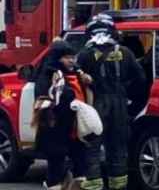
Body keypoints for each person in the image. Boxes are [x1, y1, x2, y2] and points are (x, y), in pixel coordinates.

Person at [76, 14, 147, 190]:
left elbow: (74, 82)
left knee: (92, 147)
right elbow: (141, 80)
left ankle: (94, 185)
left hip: (95, 107)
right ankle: (118, 186)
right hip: (120, 106)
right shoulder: (125, 53)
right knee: (118, 149)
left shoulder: (84, 55)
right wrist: (132, 105)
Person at [33, 40, 101, 190]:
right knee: (56, 165)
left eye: (73, 57)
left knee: (80, 164)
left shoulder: (78, 74)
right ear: (57, 58)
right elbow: (42, 100)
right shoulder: (48, 75)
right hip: (56, 127)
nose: (71, 61)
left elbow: (90, 92)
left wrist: (90, 83)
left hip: (76, 128)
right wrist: (67, 99)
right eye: (67, 57)